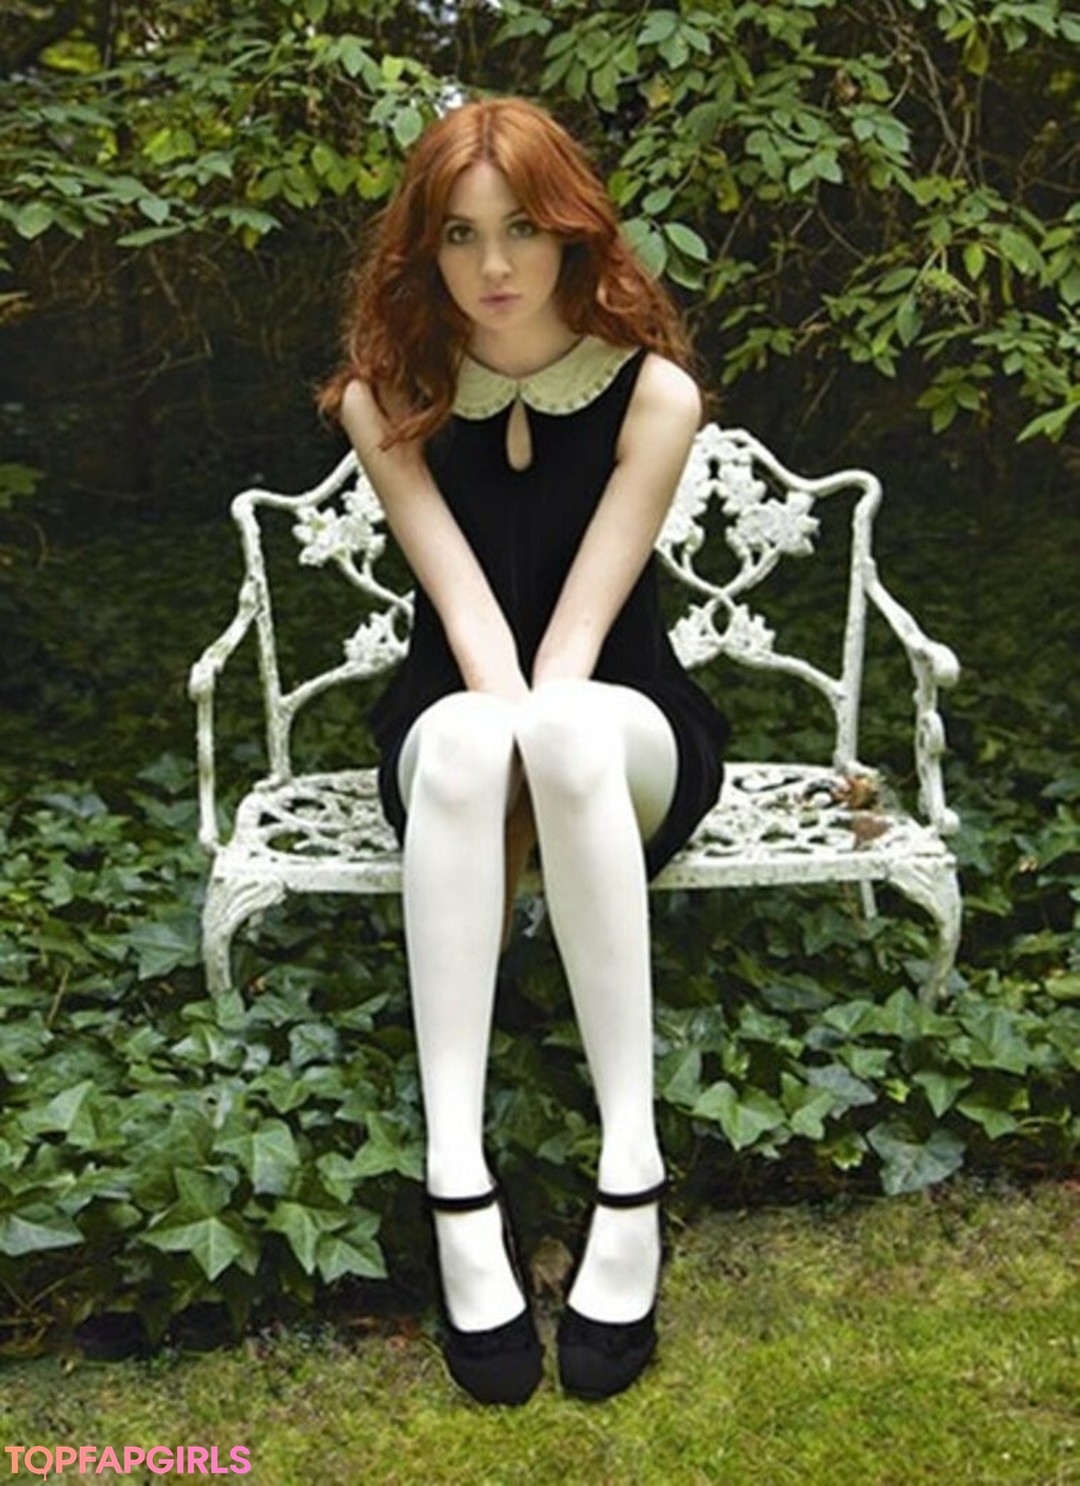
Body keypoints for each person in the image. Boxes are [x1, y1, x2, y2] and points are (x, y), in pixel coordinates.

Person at [318, 96, 728, 1406]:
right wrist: (499, 744)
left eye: (522, 230)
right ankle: (458, 1182)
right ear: (422, 247)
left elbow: (578, 643)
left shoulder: (654, 394)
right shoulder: (389, 396)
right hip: (461, 735)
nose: (494, 265)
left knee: (554, 722)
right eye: (460, 234)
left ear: (571, 233)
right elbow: (469, 624)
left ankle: (631, 1168)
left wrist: (540, 745)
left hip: (623, 725)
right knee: (465, 740)